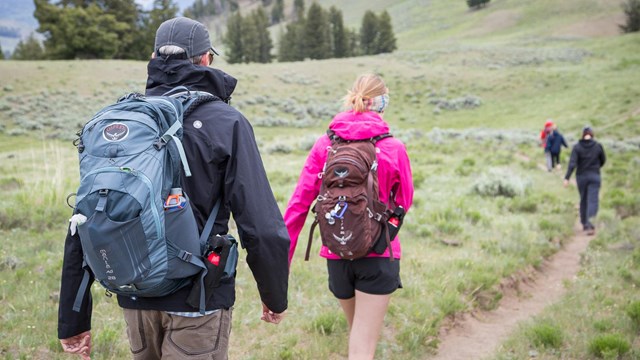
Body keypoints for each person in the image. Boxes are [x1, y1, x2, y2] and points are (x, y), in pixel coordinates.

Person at [58, 17, 290, 359]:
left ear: (154, 59)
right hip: (199, 296)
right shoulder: (226, 122)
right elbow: (261, 224)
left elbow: (86, 218)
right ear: (206, 59)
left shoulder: (121, 124)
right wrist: (274, 296)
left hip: (136, 291)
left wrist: (72, 319)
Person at [284, 74, 414, 359]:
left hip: (337, 254)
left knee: (358, 334)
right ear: (381, 102)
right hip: (379, 255)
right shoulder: (394, 148)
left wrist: (282, 261)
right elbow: (405, 200)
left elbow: (299, 204)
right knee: (363, 345)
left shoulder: (325, 145)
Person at [564, 126, 606, 235]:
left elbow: (572, 163)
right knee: (593, 200)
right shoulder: (598, 146)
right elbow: (603, 160)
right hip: (594, 176)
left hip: (581, 177)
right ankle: (590, 224)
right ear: (592, 134)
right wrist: (596, 167)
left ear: (583, 135)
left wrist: (567, 178)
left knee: (583, 199)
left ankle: (584, 223)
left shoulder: (577, 147)